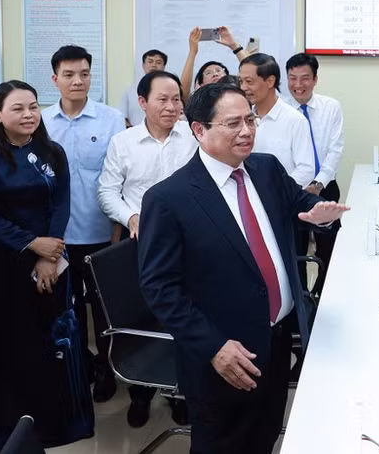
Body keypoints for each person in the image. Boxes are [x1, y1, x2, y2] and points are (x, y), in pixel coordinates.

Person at [137, 83, 349, 453]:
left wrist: (322, 218)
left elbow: (303, 207)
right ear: (199, 130)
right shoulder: (169, 198)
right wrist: (213, 346)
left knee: (265, 434)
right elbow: (159, 287)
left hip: (278, 337)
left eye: (250, 120)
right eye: (233, 123)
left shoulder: (265, 169)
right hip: (224, 352)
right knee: (223, 443)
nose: (247, 131)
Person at [0, 80, 94, 449]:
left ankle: (57, 423)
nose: (28, 114)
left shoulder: (52, 152)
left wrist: (48, 253)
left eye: (33, 107)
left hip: (50, 259)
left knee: (52, 341)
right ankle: (12, 425)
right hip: (3, 265)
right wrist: (30, 243)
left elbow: (62, 203)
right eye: (18, 108)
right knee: (12, 344)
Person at [97, 70, 197, 427]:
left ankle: (182, 392)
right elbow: (108, 192)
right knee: (144, 315)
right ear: (142, 103)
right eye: (163, 100)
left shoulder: (194, 136)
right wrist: (132, 217)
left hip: (191, 245)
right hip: (141, 244)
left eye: (177, 99)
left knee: (185, 315)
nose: (172, 107)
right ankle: (141, 393)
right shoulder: (123, 143)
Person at [42, 45, 126, 404]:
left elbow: (119, 179)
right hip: (56, 239)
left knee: (103, 309)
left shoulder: (110, 119)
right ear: (55, 79)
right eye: (69, 75)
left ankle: (108, 371)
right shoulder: (41, 121)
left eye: (84, 74)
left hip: (101, 234)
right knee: (66, 309)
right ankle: (80, 368)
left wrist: (117, 233)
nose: (78, 81)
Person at [285, 53, 345, 295]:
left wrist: (318, 184)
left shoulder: (331, 107)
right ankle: (299, 302)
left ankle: (322, 296)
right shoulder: (280, 110)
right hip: (293, 191)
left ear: (315, 79)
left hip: (325, 187)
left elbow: (335, 148)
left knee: (328, 247)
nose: (298, 85)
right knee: (296, 251)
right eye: (292, 78)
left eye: (304, 78)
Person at [239, 53, 315, 187]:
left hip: (281, 199)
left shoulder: (294, 120)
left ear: (270, 81)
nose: (243, 87)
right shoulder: (242, 119)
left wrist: (277, 192)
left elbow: (306, 170)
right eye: (241, 81)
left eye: (249, 82)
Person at [181, 26, 250, 103]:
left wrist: (234, 46)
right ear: (201, 84)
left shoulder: (241, 95)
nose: (215, 74)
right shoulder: (198, 104)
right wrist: (192, 52)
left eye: (219, 70)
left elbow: (252, 73)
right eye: (208, 73)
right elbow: (183, 95)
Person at [119, 49, 167, 127]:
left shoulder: (169, 89)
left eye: (158, 62)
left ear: (164, 67)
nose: (154, 65)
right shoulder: (130, 90)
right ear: (143, 65)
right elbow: (122, 117)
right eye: (150, 61)